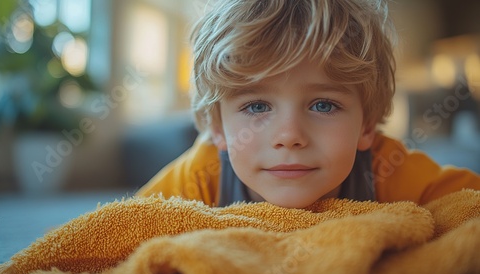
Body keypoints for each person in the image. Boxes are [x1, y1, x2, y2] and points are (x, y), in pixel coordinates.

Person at [136, 0, 480, 208]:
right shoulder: (201, 176)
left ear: (366, 125)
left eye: (323, 105)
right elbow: (121, 232)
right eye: (257, 107)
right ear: (217, 128)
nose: (289, 136)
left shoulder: (385, 168)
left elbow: (469, 206)